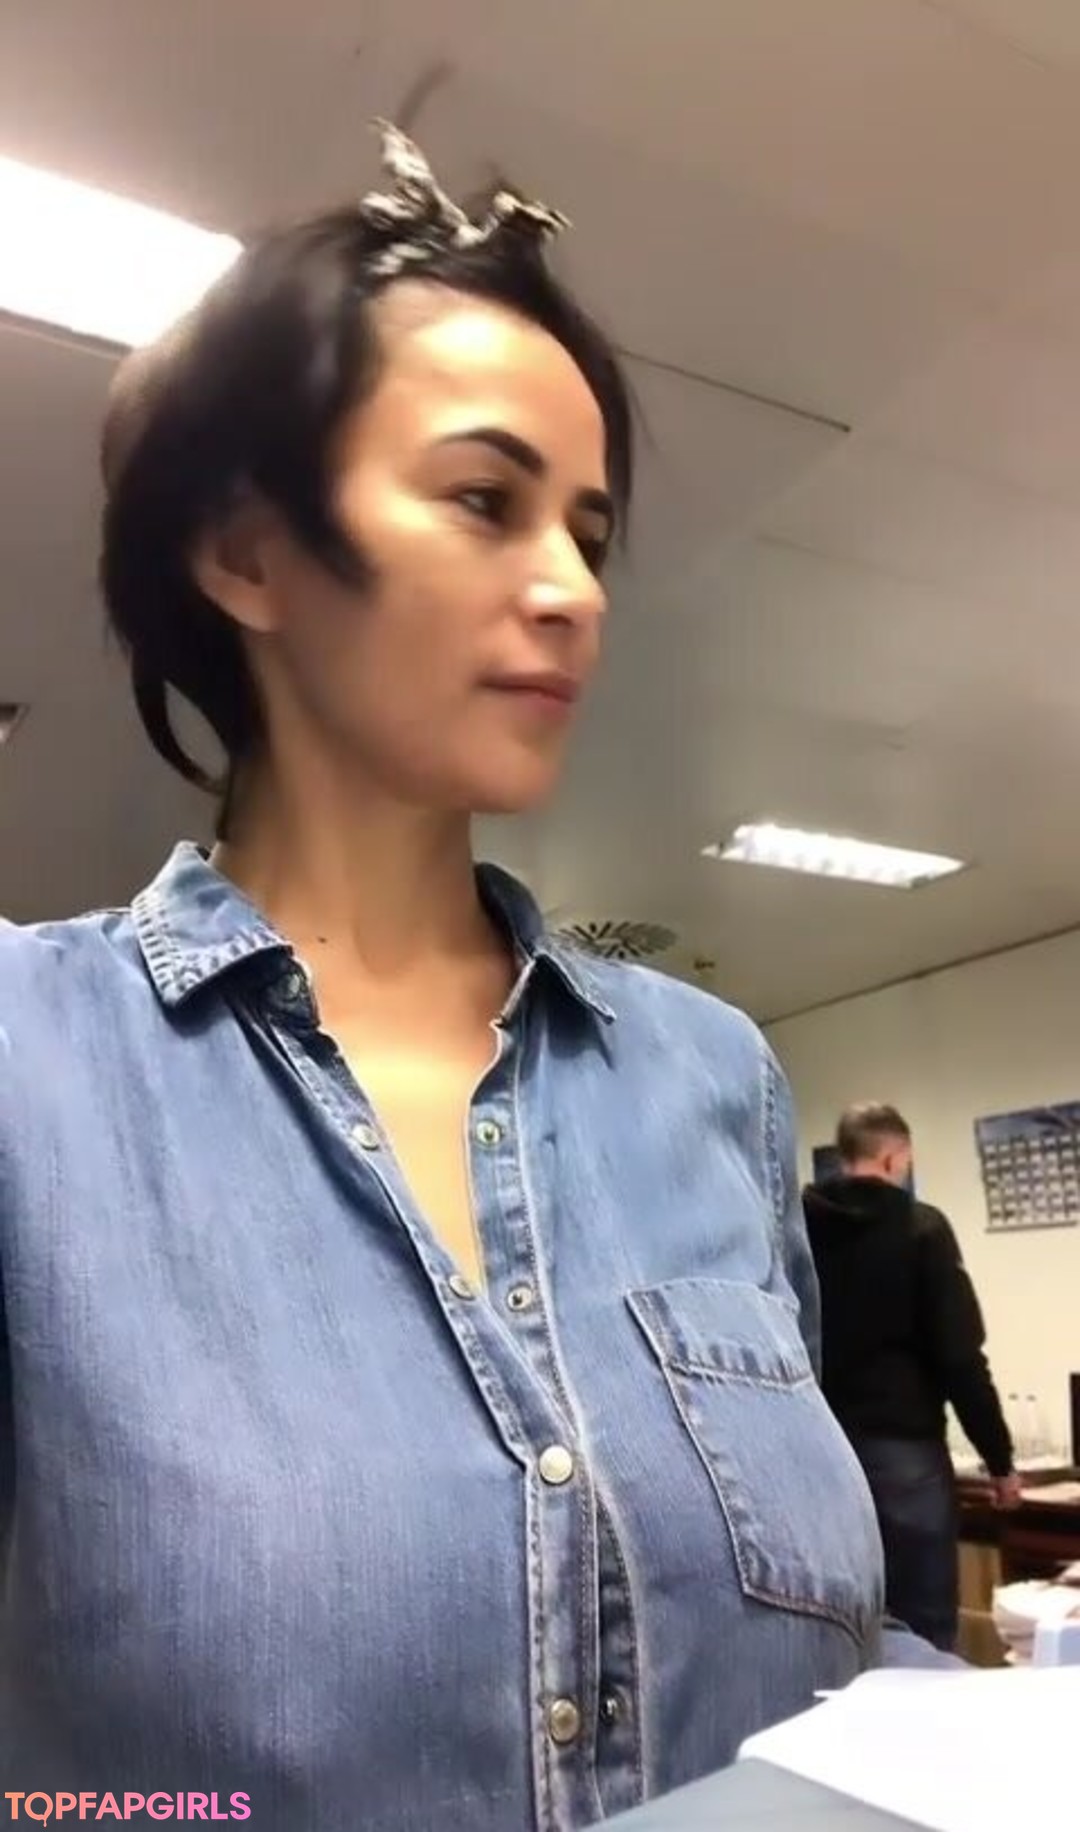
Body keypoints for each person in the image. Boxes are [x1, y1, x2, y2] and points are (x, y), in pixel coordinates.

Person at [0, 124, 891, 1830]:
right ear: (247, 554)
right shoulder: (35, 1069)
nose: (570, 590)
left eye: (589, 532)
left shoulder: (714, 1079)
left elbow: (830, 1674)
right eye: (486, 500)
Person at [803, 1102, 1021, 1653]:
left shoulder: (798, 1231)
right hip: (906, 1456)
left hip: (821, 1453)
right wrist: (999, 1461)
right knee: (924, 1624)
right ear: (893, 1157)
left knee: (842, 1623)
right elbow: (960, 1358)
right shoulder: (921, 1228)